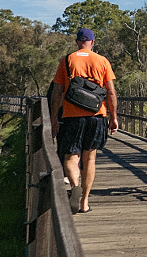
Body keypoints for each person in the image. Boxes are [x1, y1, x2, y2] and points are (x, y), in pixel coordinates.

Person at [51, 28, 118, 214]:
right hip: (97, 115)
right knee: (90, 158)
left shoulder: (67, 60)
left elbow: (57, 93)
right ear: (92, 42)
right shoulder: (102, 61)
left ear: (77, 42)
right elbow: (111, 92)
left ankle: (74, 186)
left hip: (72, 116)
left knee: (71, 157)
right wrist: (113, 118)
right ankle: (84, 202)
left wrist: (54, 119)